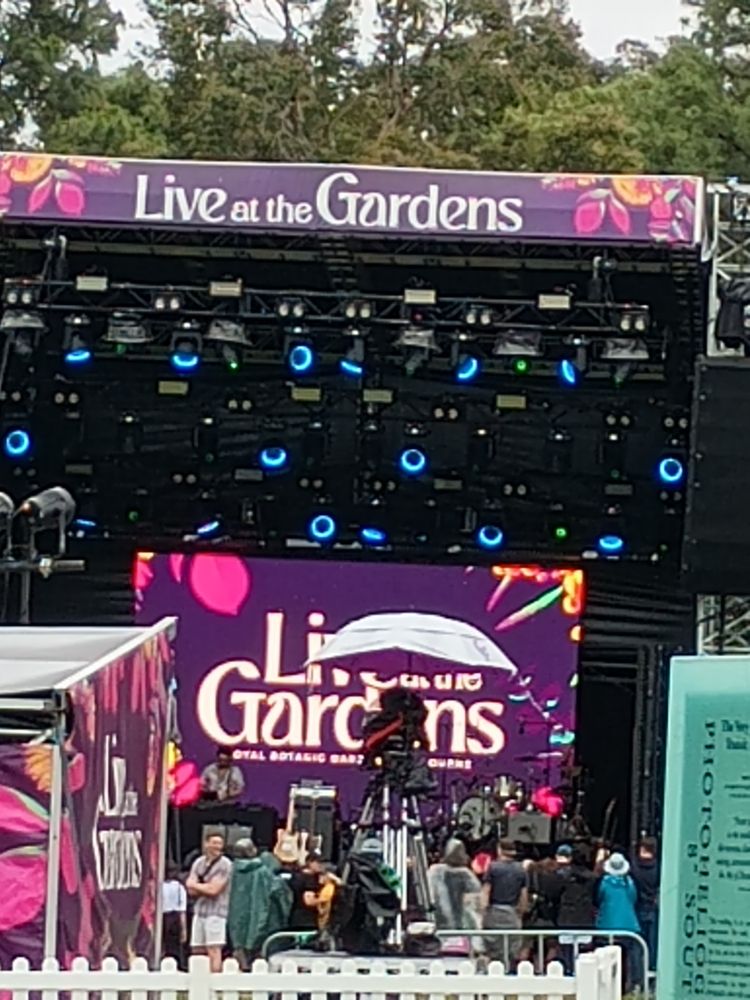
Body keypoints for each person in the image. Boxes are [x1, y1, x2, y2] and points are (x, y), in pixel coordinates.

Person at [186, 832, 233, 971]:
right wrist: (202, 887)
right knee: (197, 949)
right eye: (214, 843)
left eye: (219, 843)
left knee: (213, 948)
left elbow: (214, 890)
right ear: (206, 843)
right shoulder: (198, 862)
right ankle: (198, 979)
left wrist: (196, 886)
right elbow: (190, 890)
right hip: (199, 912)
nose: (217, 846)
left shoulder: (225, 864)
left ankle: (215, 982)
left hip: (217, 913)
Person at [595, 852, 641, 992]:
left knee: (605, 957)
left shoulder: (604, 883)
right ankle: (623, 987)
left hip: (607, 925)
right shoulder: (629, 883)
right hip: (628, 926)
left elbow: (599, 899)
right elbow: (634, 899)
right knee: (625, 957)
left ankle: (605, 987)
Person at [428, 839, 482, 953]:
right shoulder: (466, 874)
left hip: (443, 922)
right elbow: (475, 899)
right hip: (458, 925)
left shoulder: (435, 871)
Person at [481, 839, 528, 965]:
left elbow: (486, 890)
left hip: (494, 911)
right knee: (512, 947)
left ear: (499, 849)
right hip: (512, 912)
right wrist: (521, 912)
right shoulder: (521, 869)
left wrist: (483, 910)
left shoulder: (493, 867)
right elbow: (524, 895)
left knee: (494, 946)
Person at [630, 836, 659, 971]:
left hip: (637, 907)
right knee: (652, 943)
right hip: (653, 907)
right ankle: (652, 973)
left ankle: (637, 977)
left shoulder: (634, 868)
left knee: (637, 943)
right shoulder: (659, 868)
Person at [288, 851, 324, 931]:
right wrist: (323, 900)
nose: (321, 866)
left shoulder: (296, 876)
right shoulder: (309, 880)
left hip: (294, 918)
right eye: (318, 862)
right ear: (310, 862)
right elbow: (309, 901)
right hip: (307, 920)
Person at [161, 862, 187, 967]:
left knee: (165, 943)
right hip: (174, 916)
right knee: (174, 944)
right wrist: (184, 929)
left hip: (164, 916)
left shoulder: (160, 886)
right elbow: (182, 909)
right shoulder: (179, 887)